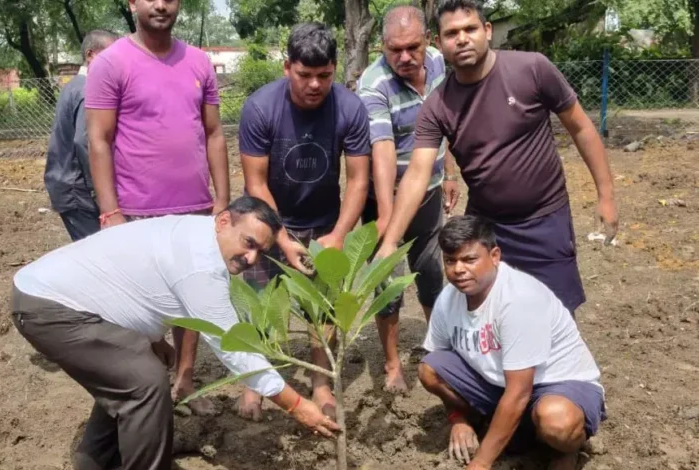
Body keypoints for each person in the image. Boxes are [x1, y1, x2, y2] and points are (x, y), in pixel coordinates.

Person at [11, 196, 340, 470]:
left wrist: (151, 339)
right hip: (49, 308)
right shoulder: (202, 263)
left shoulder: (199, 234)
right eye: (248, 243)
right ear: (224, 221)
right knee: (144, 382)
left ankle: (94, 461)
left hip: (60, 300)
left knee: (128, 374)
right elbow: (235, 350)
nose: (252, 258)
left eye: (260, 252)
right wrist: (296, 405)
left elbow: (138, 280)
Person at [377, 0, 619, 315]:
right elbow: (418, 173)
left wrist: (607, 196)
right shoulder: (438, 106)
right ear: (438, 43)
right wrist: (390, 241)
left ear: (487, 31)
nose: (462, 39)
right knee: (488, 318)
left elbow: (582, 128)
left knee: (555, 317)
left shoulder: (532, 69)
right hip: (486, 228)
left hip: (545, 220)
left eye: (470, 28)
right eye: (451, 33)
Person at [85, 0, 231, 414]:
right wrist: (111, 214)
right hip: (136, 213)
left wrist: (221, 199)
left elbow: (215, 132)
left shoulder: (199, 62)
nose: (161, 4)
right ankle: (144, 391)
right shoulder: (110, 64)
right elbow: (99, 140)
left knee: (193, 300)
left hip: (195, 209)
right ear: (133, 3)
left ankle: (185, 381)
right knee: (138, 309)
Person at [236, 22, 371, 421]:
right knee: (261, 301)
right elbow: (255, 183)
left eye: (324, 75)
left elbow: (359, 180)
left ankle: (321, 383)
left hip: (325, 222)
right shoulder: (260, 108)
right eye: (304, 75)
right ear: (286, 68)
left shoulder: (349, 107)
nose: (315, 84)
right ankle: (255, 379)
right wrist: (281, 235)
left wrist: (339, 236)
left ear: (334, 69)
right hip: (266, 219)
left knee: (322, 308)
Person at [418, 215, 606, 470]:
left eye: (470, 259)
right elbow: (439, 362)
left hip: (553, 385)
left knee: (557, 422)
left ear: (494, 256)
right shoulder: (449, 297)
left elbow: (519, 392)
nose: (458, 269)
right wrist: (457, 418)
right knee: (430, 368)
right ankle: (501, 427)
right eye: (450, 261)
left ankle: (564, 450)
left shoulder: (519, 299)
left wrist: (481, 464)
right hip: (499, 385)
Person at [356, 5, 453, 394]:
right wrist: (384, 216)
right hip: (389, 195)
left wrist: (451, 173)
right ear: (383, 46)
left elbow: (450, 121)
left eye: (412, 47)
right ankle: (393, 364)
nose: (404, 57)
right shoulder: (373, 84)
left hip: (429, 193)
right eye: (395, 49)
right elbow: (381, 151)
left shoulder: (439, 63)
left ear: (427, 40)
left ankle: (440, 349)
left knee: (432, 274)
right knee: (389, 285)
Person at [44, 30, 118, 241]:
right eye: (110, 56)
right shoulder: (89, 89)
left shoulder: (74, 85)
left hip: (68, 184)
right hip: (77, 189)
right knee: (100, 253)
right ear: (90, 55)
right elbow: (84, 141)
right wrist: (101, 193)